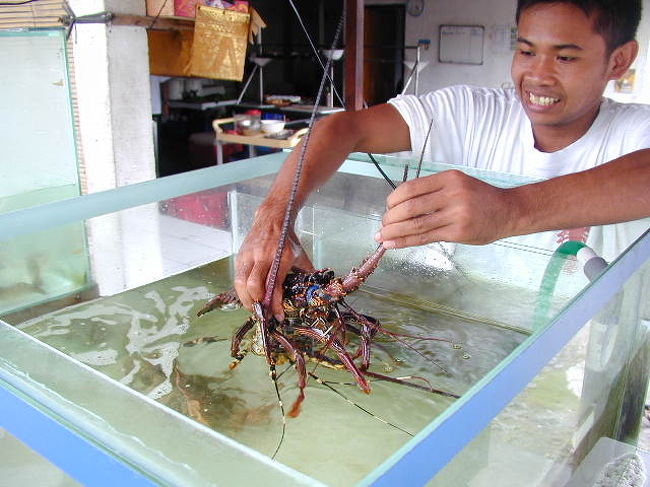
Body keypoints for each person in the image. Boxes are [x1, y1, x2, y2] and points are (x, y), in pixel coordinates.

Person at [235, 0, 650, 320]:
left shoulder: (633, 132)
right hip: (467, 329)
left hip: (581, 358)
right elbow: (341, 129)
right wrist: (274, 216)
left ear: (618, 60)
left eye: (565, 57)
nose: (538, 75)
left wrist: (510, 209)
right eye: (526, 52)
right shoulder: (470, 111)